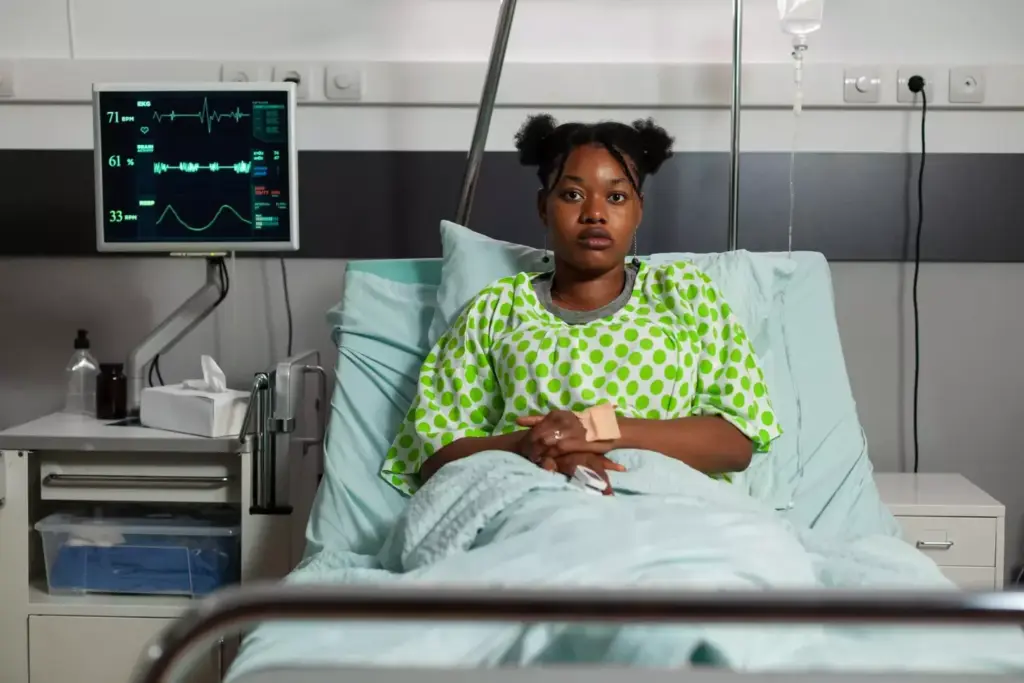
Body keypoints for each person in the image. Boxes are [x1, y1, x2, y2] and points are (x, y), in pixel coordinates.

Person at [380, 114, 782, 496]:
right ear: (543, 207)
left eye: (616, 196)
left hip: (665, 507)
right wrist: (530, 444)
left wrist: (594, 429)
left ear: (638, 209)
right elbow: (432, 456)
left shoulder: (685, 296)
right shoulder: (496, 311)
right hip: (525, 499)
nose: (594, 213)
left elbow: (734, 442)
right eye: (572, 195)